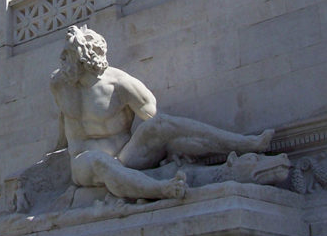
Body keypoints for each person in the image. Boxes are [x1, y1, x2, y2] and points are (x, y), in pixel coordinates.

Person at [50, 25, 274, 200]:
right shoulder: (59, 84)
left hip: (125, 158)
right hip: (83, 164)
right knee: (99, 161)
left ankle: (248, 144)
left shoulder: (120, 84)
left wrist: (173, 148)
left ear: (86, 60)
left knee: (162, 125)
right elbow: (66, 120)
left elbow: (155, 120)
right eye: (65, 56)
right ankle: (160, 189)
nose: (66, 63)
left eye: (71, 57)